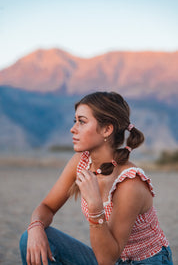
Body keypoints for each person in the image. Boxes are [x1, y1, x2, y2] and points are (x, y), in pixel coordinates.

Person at [20, 92, 173, 265]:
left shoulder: (130, 183)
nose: (73, 129)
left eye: (82, 122)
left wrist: (95, 207)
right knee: (29, 239)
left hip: (142, 261)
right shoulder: (81, 161)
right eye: (75, 121)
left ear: (107, 129)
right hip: (107, 255)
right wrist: (36, 227)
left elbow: (107, 260)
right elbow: (47, 207)